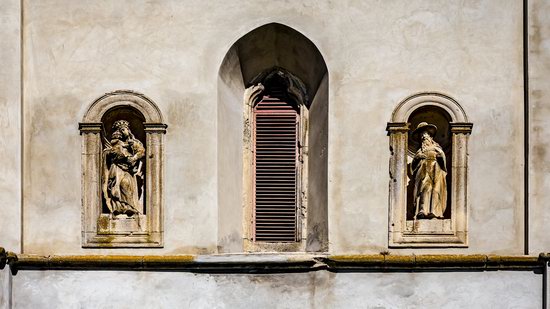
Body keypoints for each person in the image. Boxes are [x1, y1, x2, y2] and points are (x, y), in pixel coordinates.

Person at [102, 120, 145, 217]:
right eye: (120, 131)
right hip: (116, 169)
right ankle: (118, 208)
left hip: (128, 170)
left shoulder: (133, 142)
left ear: (128, 130)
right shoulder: (115, 146)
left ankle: (129, 207)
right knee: (115, 188)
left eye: (124, 130)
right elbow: (109, 153)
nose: (121, 133)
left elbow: (141, 151)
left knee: (125, 183)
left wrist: (133, 158)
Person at [411, 122, 447, 219]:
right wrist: (417, 158)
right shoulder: (420, 150)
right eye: (421, 135)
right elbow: (413, 166)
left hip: (436, 170)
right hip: (423, 171)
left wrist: (440, 156)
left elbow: (443, 159)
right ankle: (422, 210)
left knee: (436, 190)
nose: (423, 137)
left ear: (430, 136)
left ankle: (434, 211)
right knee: (425, 189)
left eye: (425, 134)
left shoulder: (437, 147)